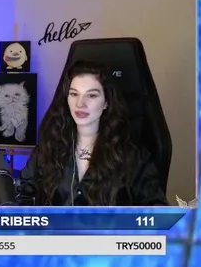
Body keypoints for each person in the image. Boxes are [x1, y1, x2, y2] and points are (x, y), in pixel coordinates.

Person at [16, 60, 168, 206]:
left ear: (106, 102)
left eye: (92, 95)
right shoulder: (49, 148)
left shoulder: (132, 156)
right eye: (74, 94)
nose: (80, 103)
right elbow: (21, 194)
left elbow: (156, 209)